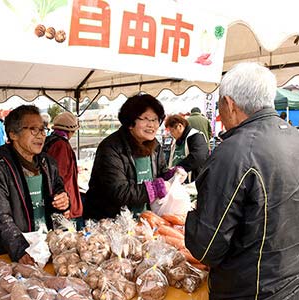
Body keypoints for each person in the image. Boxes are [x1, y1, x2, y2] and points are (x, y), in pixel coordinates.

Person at [185, 62, 299, 300]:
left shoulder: (232, 153)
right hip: (290, 281)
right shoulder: (294, 137)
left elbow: (206, 247)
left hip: (249, 290)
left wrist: (192, 217)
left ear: (229, 103)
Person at [84, 94, 186, 220]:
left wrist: (172, 176)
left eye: (155, 120)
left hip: (143, 220)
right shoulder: (111, 148)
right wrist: (156, 188)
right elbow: (119, 192)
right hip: (109, 222)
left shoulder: (155, 146)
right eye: (146, 119)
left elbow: (160, 173)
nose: (152, 125)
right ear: (130, 123)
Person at [0, 105, 70, 264]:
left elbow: (59, 188)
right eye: (33, 129)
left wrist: (64, 200)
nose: (41, 135)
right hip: (13, 253)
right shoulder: (1, 166)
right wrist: (19, 249)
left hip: (46, 247)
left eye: (42, 129)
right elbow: (1, 217)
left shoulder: (47, 162)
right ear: (13, 134)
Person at [43, 111, 83, 221]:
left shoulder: (49, 140)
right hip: (64, 203)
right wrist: (65, 206)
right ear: (70, 131)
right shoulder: (61, 146)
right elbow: (59, 177)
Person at [165, 114, 209, 183]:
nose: (171, 134)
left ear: (180, 126)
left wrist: (178, 168)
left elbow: (198, 156)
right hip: (179, 180)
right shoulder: (176, 140)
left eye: (172, 131)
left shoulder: (196, 136)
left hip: (193, 181)